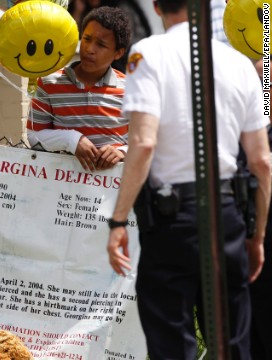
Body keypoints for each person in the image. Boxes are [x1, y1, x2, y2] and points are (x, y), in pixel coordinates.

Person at [105, 0, 271, 358]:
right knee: (232, 342)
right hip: (228, 212)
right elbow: (261, 160)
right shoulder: (242, 63)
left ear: (155, 5)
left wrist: (118, 219)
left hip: (173, 217)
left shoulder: (147, 53)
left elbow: (143, 142)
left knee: (171, 341)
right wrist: (257, 233)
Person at [26, 6, 131, 171]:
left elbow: (146, 140)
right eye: (87, 39)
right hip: (59, 188)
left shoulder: (130, 89)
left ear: (118, 53)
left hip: (112, 192)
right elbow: (34, 136)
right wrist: (71, 140)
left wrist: (122, 152)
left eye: (101, 45)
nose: (89, 49)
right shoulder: (49, 82)